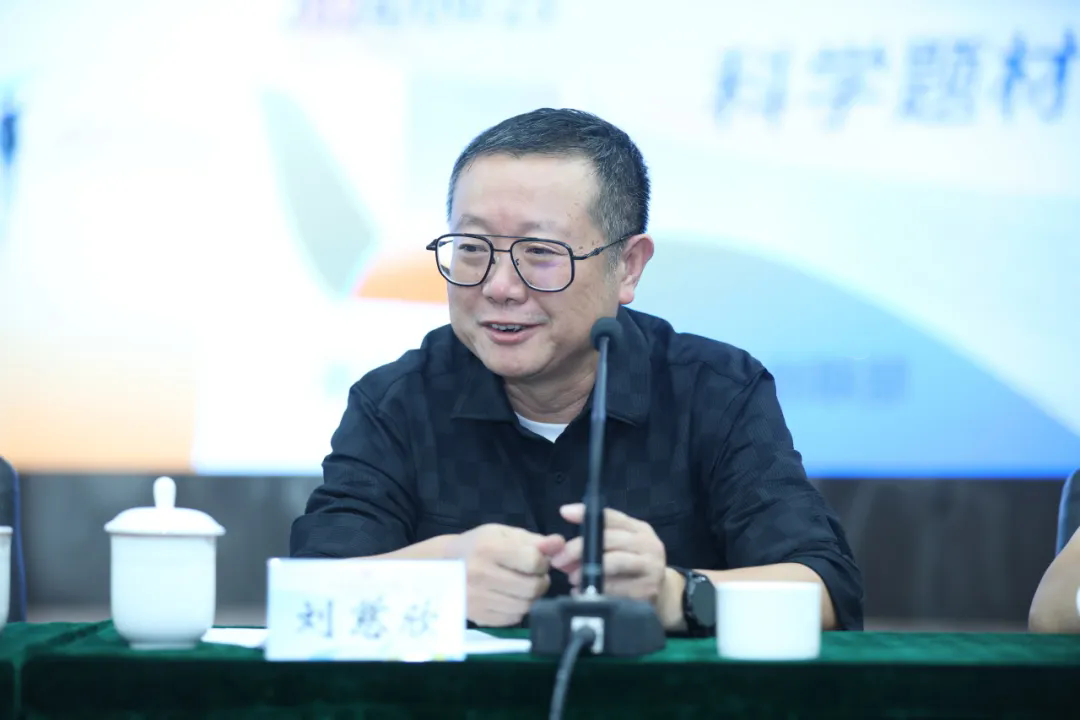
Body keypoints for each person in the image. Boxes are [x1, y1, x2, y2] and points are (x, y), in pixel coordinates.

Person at [291, 108, 864, 633]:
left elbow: (826, 591)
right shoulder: (396, 400)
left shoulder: (714, 390)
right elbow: (307, 595)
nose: (499, 286)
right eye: (471, 247)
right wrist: (439, 575)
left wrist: (674, 593)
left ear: (628, 267)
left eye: (541, 252)